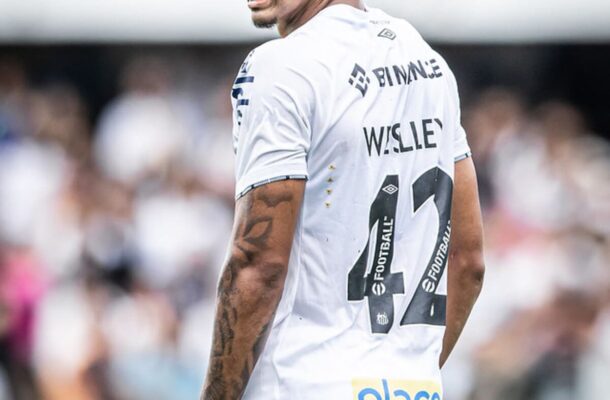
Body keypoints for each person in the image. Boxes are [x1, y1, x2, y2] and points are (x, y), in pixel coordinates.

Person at [201, 0, 485, 399]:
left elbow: (259, 265)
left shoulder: (279, 68)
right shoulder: (428, 61)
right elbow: (468, 260)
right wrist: (410, 372)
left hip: (303, 383)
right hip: (415, 389)